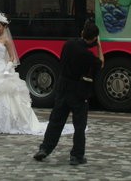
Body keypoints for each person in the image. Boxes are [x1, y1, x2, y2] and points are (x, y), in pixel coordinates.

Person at [33, 20, 104, 165]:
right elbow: (101, 63)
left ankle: (45, 149)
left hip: (63, 87)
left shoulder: (68, 44)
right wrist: (99, 46)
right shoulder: (88, 55)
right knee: (79, 125)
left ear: (82, 33)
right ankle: (76, 156)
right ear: (94, 38)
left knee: (55, 121)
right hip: (79, 91)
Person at [0, 11, 56, 135]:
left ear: (4, 27)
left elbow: (12, 57)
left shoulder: (6, 40)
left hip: (2, 67)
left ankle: (6, 122)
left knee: (5, 93)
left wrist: (7, 69)